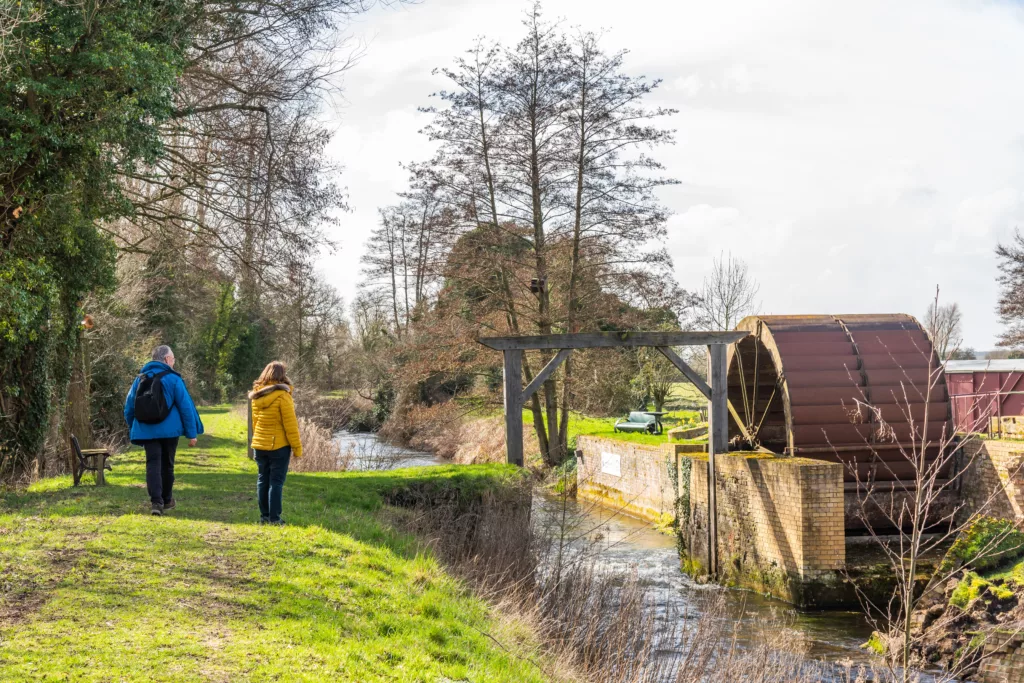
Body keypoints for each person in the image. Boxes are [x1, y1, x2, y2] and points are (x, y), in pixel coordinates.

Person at [124, 345, 204, 516]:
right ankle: (167, 500)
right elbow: (186, 407)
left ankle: (156, 502)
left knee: (152, 464)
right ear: (167, 359)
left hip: (146, 430)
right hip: (169, 432)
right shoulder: (173, 379)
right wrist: (192, 434)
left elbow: (129, 406)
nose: (174, 362)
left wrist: (134, 428)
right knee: (167, 465)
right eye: (173, 358)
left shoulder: (140, 378)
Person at [249, 361, 303, 525]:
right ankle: (275, 518)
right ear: (282, 376)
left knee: (262, 479)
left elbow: (255, 422)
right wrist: (297, 448)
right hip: (278, 446)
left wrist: (257, 439)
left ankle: (264, 517)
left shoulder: (257, 395)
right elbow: (290, 425)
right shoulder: (283, 396)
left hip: (260, 445)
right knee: (276, 482)